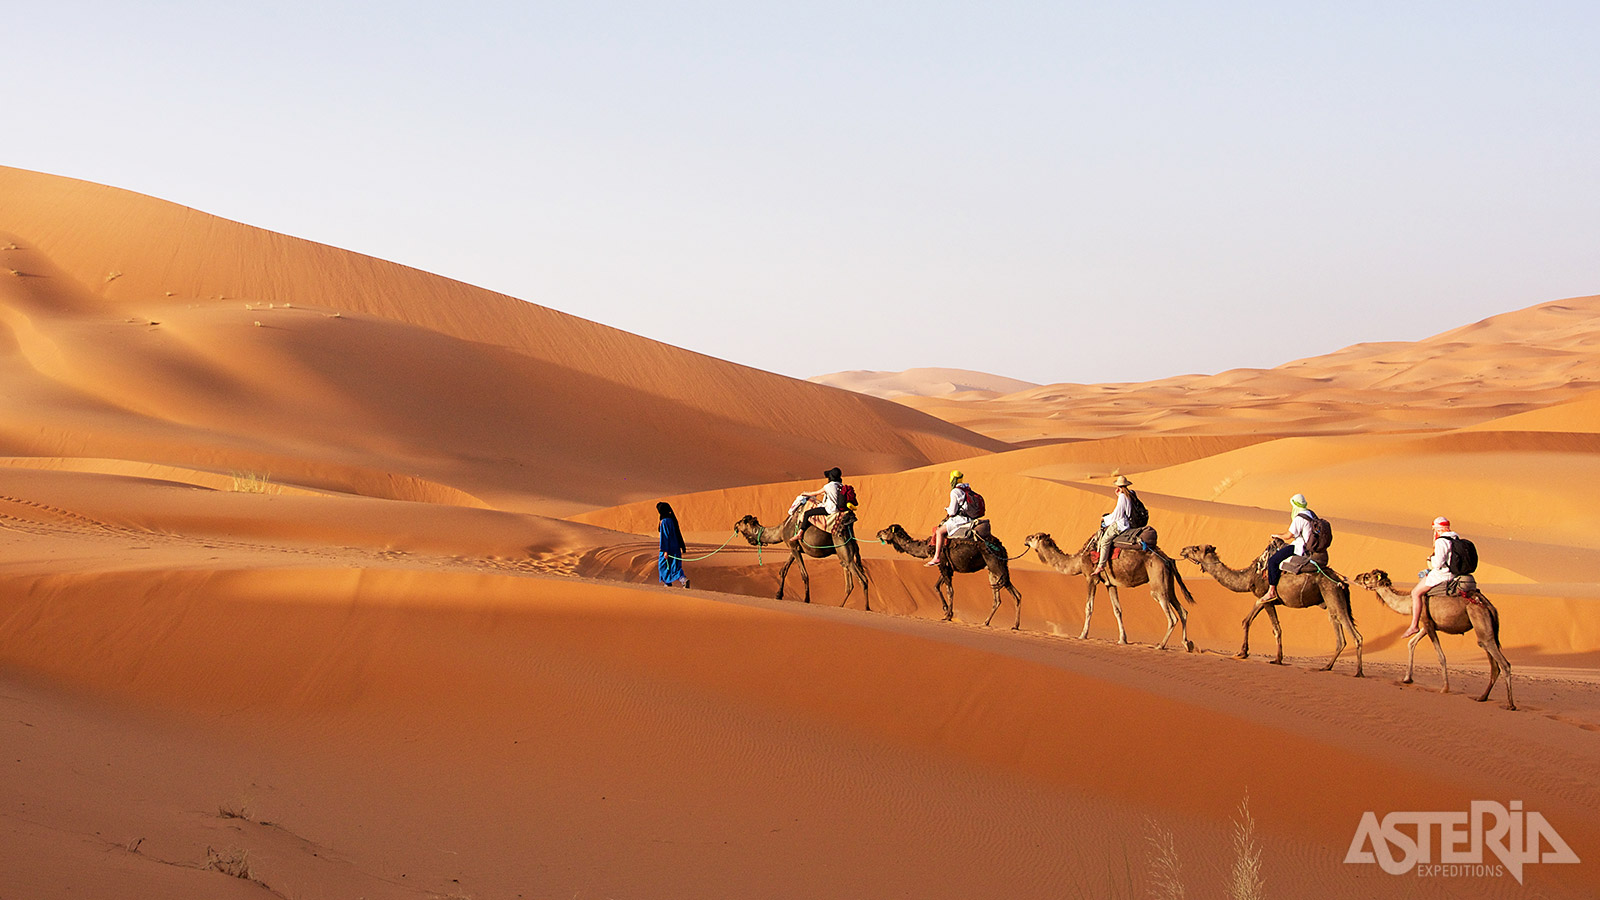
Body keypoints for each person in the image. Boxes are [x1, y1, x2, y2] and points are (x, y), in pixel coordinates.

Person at [1405, 517, 1459, 637]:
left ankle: (1414, 625)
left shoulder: (1441, 541)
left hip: (1442, 574)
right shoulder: (1455, 537)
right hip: (1455, 573)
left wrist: (1431, 560)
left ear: (1438, 529)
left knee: (1415, 593)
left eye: (1435, 529)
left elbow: (1438, 564)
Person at [1262, 493, 1317, 601]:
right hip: (1310, 545)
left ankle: (1271, 591)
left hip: (1300, 547)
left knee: (1273, 561)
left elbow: (1288, 535)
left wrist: (1277, 535)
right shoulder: (1310, 513)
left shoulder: (1299, 518)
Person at [927, 470, 980, 567]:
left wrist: (947, 509)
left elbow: (952, 512)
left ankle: (937, 557)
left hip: (960, 519)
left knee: (939, 531)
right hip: (969, 518)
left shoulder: (955, 492)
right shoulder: (966, 489)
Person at [1092, 475, 1137, 575]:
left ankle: (1101, 565)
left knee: (1104, 541)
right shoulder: (1130, 494)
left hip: (1121, 525)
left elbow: (1118, 514)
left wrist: (1105, 519)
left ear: (1119, 487)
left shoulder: (1122, 497)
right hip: (1128, 523)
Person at [795, 467, 849, 535]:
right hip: (838, 509)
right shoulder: (840, 485)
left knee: (807, 513)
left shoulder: (829, 486)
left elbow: (815, 493)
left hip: (830, 510)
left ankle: (800, 533)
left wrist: (805, 493)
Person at [657, 501, 690, 588]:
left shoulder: (665, 521)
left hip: (668, 548)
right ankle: (683, 580)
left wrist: (665, 551)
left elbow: (665, 536)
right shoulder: (672, 519)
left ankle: (667, 584)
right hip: (675, 548)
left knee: (662, 566)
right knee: (675, 567)